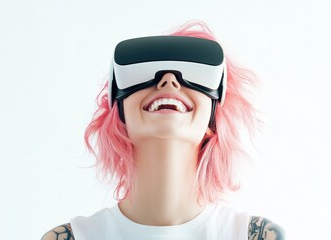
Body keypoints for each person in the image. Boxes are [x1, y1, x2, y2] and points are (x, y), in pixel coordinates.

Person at [41, 21, 285, 240]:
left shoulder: (258, 237)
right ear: (117, 110)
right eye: (146, 72)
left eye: (192, 72)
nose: (168, 80)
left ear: (214, 116)